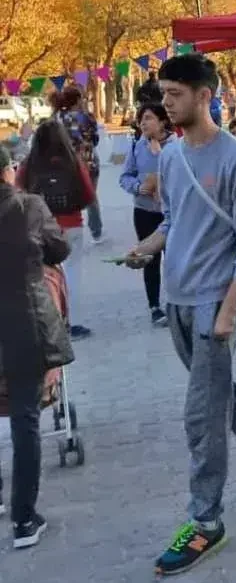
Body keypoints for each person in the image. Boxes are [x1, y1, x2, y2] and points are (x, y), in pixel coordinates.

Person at [124, 54, 236, 576]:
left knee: (202, 416)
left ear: (205, 96)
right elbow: (174, 221)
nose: (165, 103)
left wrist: (229, 309)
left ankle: (206, 522)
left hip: (214, 302)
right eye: (163, 93)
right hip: (177, 298)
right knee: (217, 392)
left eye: (175, 94)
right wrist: (147, 248)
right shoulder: (170, 156)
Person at [0, 145, 72, 549]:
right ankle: (24, 520)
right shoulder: (29, 206)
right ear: (8, 172)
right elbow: (59, 249)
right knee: (25, 420)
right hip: (23, 324)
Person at [17, 120, 96, 341]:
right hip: (71, 224)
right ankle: (75, 322)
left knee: (44, 276)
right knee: (73, 273)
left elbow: (18, 192)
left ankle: (52, 321)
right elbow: (89, 194)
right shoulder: (73, 162)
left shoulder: (29, 164)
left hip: (39, 228)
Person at [119, 103, 175, 327]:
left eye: (149, 118)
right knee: (149, 258)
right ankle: (154, 307)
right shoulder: (136, 146)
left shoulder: (176, 146)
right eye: (141, 119)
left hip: (171, 213)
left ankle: (176, 302)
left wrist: (160, 155)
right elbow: (125, 177)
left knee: (174, 259)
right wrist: (138, 187)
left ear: (162, 122)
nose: (143, 123)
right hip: (144, 211)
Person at [51, 87, 103, 244]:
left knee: (68, 195)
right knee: (91, 196)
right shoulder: (86, 117)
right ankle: (96, 232)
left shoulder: (58, 117)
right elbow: (95, 139)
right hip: (88, 160)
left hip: (66, 163)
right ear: (78, 100)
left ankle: (68, 228)